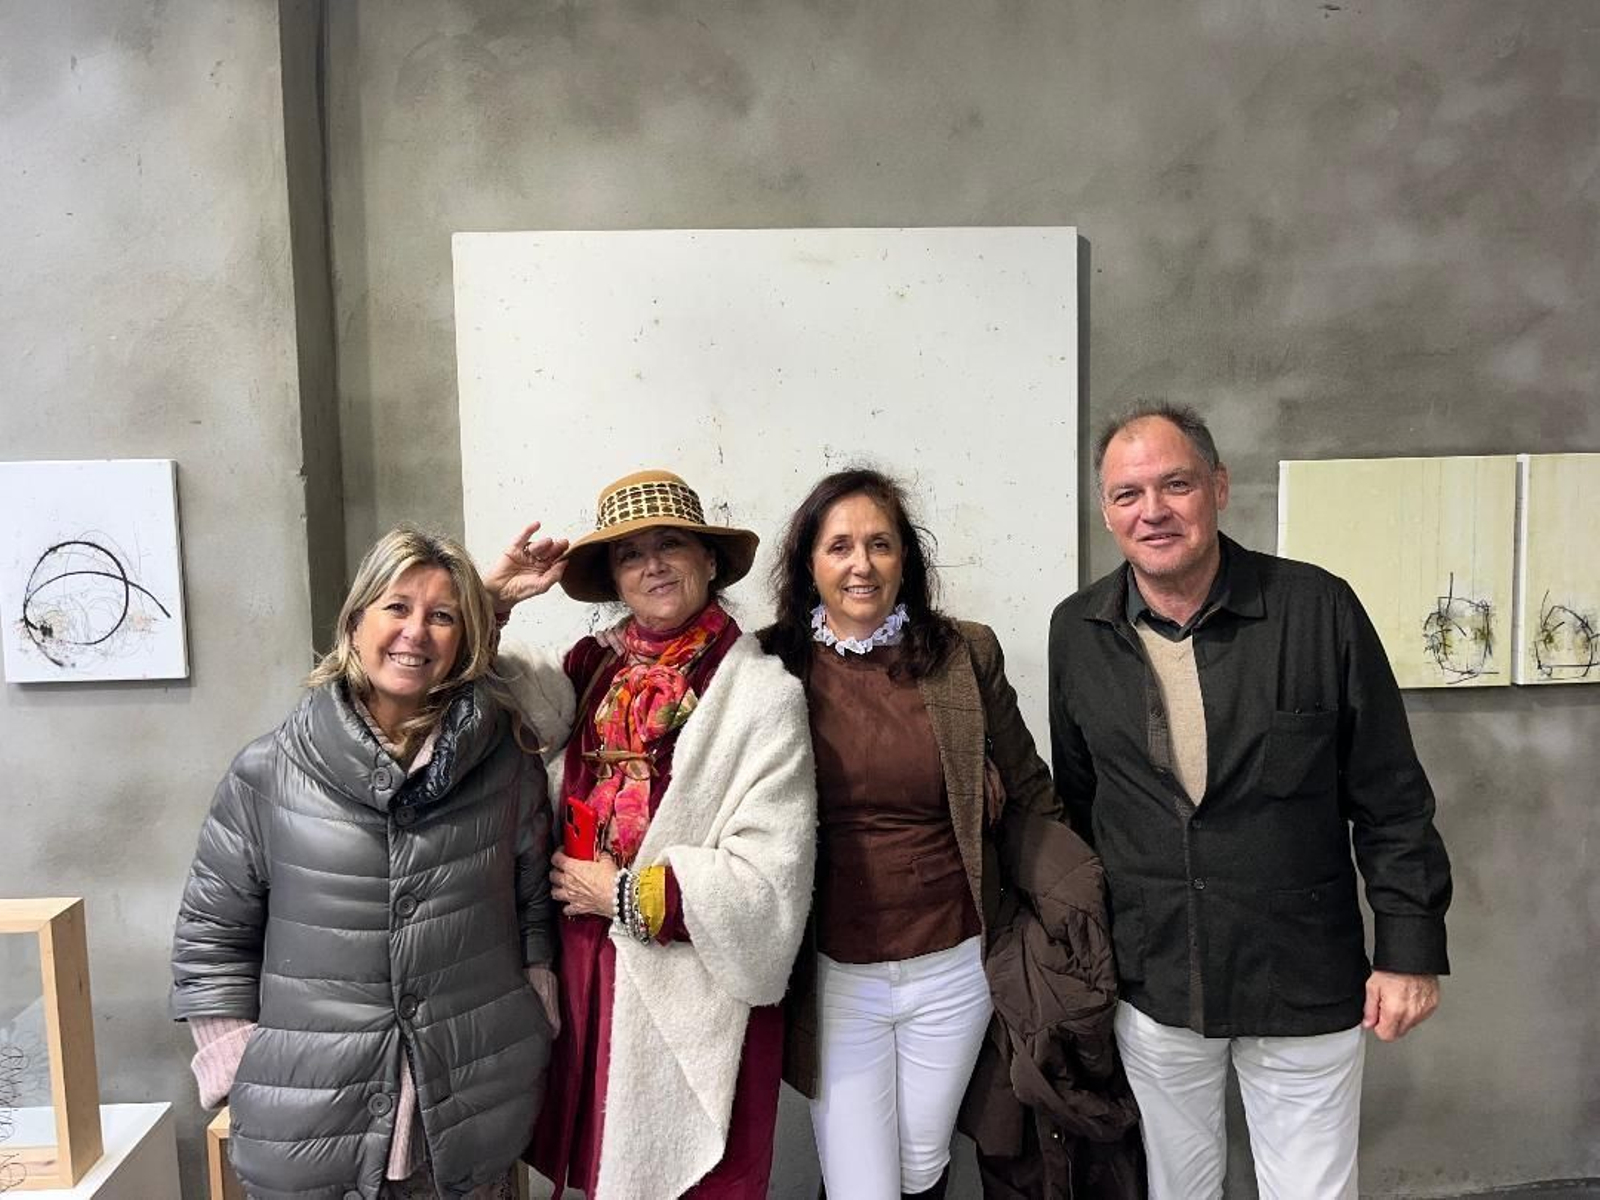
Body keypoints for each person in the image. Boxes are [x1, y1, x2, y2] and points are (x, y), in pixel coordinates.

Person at [1048, 403, 1454, 1199]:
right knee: (1178, 1187)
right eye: (1128, 494)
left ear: (1219, 487)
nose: (1153, 511)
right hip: (1155, 978)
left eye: (1176, 485)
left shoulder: (1316, 609)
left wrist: (1408, 946)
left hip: (1301, 973)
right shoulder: (1078, 632)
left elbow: (1391, 795)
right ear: (1106, 509)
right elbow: (1079, 802)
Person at [761, 468, 1134, 1200]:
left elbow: (1030, 790)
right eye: (839, 547)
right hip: (835, 972)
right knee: (862, 1186)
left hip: (954, 965)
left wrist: (1066, 910)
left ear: (907, 558)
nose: (861, 564)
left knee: (921, 1164)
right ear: (809, 562)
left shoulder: (962, 654)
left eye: (880, 544)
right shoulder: (772, 664)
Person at [170, 526, 564, 1200]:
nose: (416, 632)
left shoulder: (507, 766)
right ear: (354, 624)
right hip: (311, 1130)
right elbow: (212, 938)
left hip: (470, 1123)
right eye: (397, 607)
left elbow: (532, 908)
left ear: (465, 641)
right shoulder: (267, 774)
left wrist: (536, 1021)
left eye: (442, 617)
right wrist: (238, 1067)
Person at [491, 469, 818, 1200]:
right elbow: (475, 695)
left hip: (692, 974)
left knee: (698, 1175)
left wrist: (624, 894)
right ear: (613, 575)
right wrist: (491, 605)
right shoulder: (590, 666)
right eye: (631, 554)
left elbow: (770, 880)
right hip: (591, 970)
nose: (653, 565)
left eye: (671, 545)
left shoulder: (763, 696)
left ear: (709, 561)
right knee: (611, 1172)